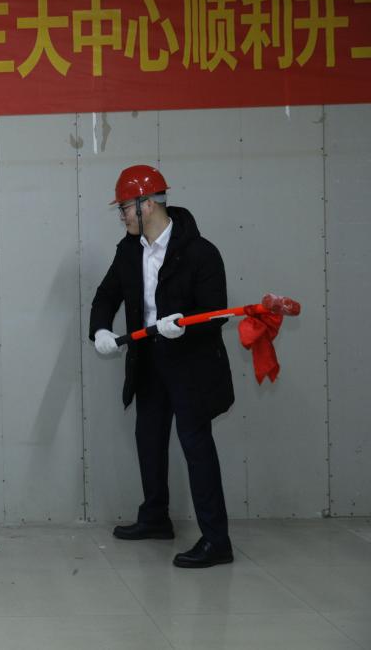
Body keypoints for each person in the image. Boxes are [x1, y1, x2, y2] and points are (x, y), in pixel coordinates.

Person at [89, 165, 235, 568]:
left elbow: (215, 312)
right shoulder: (128, 251)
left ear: (147, 204)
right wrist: (100, 329)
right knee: (149, 439)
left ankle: (217, 540)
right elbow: (106, 295)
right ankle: (155, 517)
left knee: (196, 446)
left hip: (191, 366)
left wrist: (184, 326)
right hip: (150, 361)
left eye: (125, 208)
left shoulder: (200, 252)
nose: (122, 215)